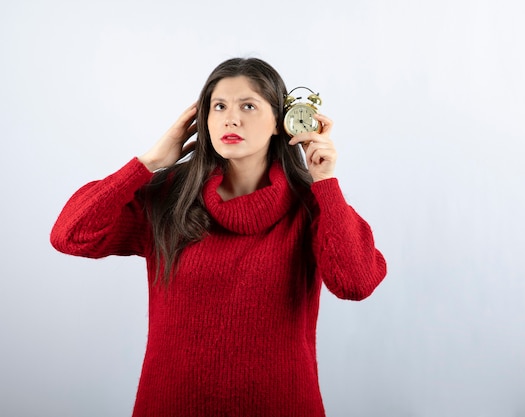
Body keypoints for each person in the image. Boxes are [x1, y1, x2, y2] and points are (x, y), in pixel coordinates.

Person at [50, 57, 387, 417]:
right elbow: (71, 235)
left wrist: (326, 184)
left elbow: (356, 282)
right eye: (219, 106)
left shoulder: (312, 204)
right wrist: (147, 163)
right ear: (202, 120)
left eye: (248, 106)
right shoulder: (169, 197)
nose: (231, 118)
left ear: (280, 122)